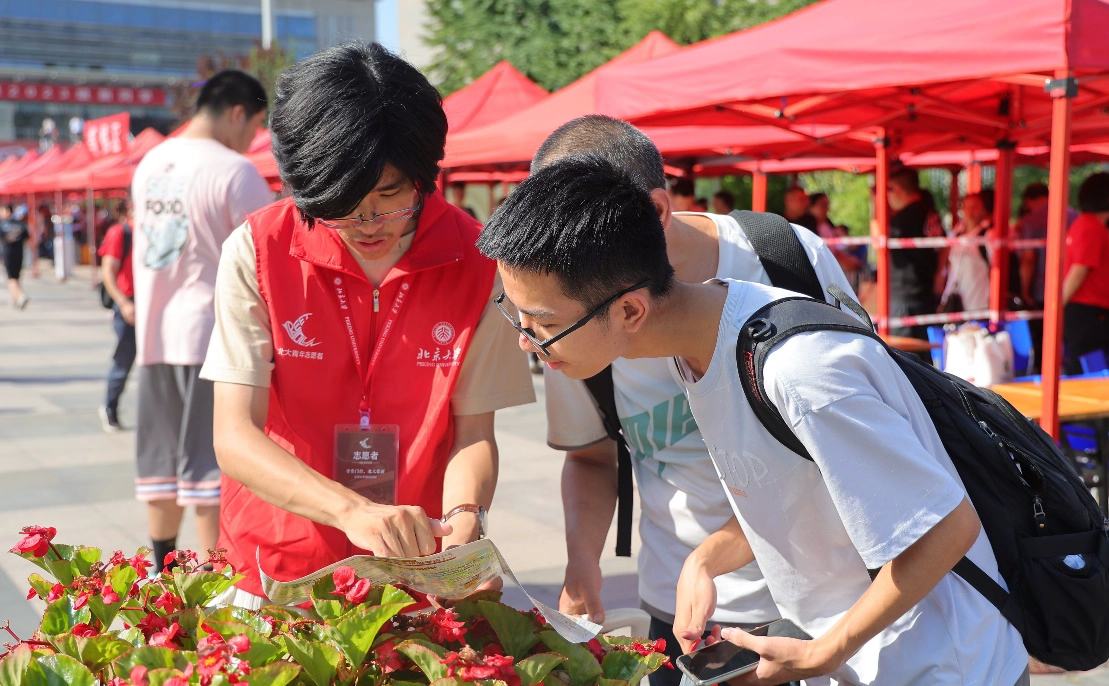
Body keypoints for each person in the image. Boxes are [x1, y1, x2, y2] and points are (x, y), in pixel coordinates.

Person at [478, 155, 1029, 686]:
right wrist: (705, 559)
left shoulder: (800, 372)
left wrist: (823, 652)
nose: (527, 341)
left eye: (541, 322)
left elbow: (947, 528)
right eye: (516, 313)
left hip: (942, 665)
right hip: (869, 658)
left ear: (629, 311)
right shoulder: (697, 341)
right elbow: (802, 484)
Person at [200, 43, 535, 607]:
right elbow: (235, 436)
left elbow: (474, 432)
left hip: (410, 565)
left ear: (425, 174)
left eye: (391, 194)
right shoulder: (258, 250)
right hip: (276, 560)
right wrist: (350, 510)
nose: (369, 222)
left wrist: (462, 524)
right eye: (344, 203)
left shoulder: (478, 263)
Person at [531, 116, 856, 686]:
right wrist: (583, 565)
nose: (569, 262)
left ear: (656, 212)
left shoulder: (782, 261)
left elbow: (860, 449)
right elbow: (589, 455)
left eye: (583, 236)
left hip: (818, 607)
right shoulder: (565, 312)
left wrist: (711, 557)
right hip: (675, 609)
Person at [130, 70, 273, 571]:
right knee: (213, 469)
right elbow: (269, 256)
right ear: (238, 112)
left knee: (160, 467)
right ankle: (218, 577)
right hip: (214, 339)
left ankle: (162, 570)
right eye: (256, 125)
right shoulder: (236, 170)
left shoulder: (149, 163)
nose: (253, 137)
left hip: (153, 333)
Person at [887, 167, 944, 340]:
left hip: (906, 297)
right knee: (925, 356)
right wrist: (939, 277)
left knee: (903, 359)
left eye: (886, 190)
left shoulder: (901, 220)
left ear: (897, 189)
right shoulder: (931, 212)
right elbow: (944, 247)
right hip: (927, 294)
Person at [1061, 172, 1109, 375]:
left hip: (1084, 313)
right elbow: (1078, 272)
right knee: (1088, 373)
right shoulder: (1092, 227)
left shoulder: (1082, 224)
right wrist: (1056, 307)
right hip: (1088, 314)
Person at [98, 200, 136, 433]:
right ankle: (110, 407)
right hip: (129, 304)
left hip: (155, 305)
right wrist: (123, 303)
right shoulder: (120, 232)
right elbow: (107, 271)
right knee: (123, 362)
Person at [939, 191, 993, 313]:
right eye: (966, 206)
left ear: (984, 210)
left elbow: (995, 269)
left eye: (975, 207)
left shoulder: (988, 236)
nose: (970, 211)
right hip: (954, 302)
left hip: (979, 303)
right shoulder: (956, 234)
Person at [809, 192, 863, 278]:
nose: (827, 209)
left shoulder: (827, 227)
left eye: (827, 205)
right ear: (811, 207)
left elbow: (842, 247)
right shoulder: (808, 230)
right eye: (823, 205)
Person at [0, 204, 29, 309]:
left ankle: (20, 295)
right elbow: (28, 241)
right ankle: (14, 298)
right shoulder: (21, 225)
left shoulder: (2, 225)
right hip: (20, 254)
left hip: (8, 254)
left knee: (11, 279)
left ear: (7, 211)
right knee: (17, 277)